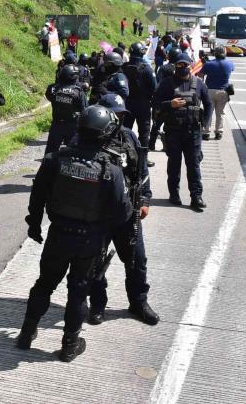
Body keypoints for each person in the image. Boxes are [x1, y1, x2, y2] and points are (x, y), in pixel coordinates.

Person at [16, 105, 130, 362]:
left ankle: (26, 333)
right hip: (89, 239)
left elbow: (37, 196)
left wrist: (34, 224)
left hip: (58, 234)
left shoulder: (55, 159)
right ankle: (69, 345)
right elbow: (121, 213)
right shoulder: (110, 169)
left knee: (44, 284)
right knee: (78, 292)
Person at [87, 95, 159, 326]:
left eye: (122, 115)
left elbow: (142, 170)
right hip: (97, 214)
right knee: (95, 262)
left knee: (137, 260)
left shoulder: (128, 136)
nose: (118, 119)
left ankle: (138, 301)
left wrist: (145, 200)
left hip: (128, 212)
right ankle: (98, 303)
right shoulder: (87, 139)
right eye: (114, 114)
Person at [153, 54, 212, 212]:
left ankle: (196, 197)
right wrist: (170, 104)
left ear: (190, 65)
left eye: (185, 64)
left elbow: (208, 104)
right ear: (175, 66)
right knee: (174, 164)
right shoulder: (167, 83)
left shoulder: (198, 83)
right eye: (179, 65)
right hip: (173, 132)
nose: (182, 67)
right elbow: (156, 103)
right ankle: (174, 194)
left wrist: (205, 124)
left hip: (193, 132)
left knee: (194, 165)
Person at [123, 42, 157, 167]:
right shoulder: (146, 68)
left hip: (127, 104)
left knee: (125, 130)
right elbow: (154, 87)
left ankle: (124, 155)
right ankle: (143, 159)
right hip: (143, 105)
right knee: (144, 133)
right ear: (142, 52)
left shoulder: (124, 66)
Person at [44, 64, 88, 155]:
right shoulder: (78, 91)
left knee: (50, 153)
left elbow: (49, 96)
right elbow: (84, 109)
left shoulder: (53, 88)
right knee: (72, 155)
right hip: (72, 126)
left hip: (56, 124)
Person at [149, 46, 182, 151]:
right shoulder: (180, 69)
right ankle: (168, 146)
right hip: (176, 102)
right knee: (171, 126)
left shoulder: (163, 68)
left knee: (156, 125)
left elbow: (157, 85)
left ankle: (151, 145)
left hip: (163, 101)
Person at [199, 46, 235, 140]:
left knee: (208, 112)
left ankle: (206, 132)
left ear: (215, 53)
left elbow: (200, 75)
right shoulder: (230, 64)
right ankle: (219, 132)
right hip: (223, 91)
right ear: (225, 53)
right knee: (220, 113)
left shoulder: (209, 64)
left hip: (209, 90)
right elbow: (231, 70)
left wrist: (205, 64)